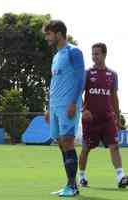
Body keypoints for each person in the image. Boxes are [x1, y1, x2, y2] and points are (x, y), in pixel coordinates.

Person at [44, 20, 85, 197]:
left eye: (48, 34)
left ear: (58, 33)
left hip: (68, 104)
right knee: (61, 143)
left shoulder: (73, 52)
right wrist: (47, 106)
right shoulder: (56, 56)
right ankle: (70, 184)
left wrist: (74, 103)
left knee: (67, 141)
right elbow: (54, 82)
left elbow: (80, 78)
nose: (47, 38)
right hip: (55, 106)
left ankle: (72, 187)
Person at [79, 42, 128, 188]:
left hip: (108, 118)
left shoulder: (112, 75)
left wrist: (117, 116)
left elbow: (114, 97)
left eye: (97, 54)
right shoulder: (87, 73)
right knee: (86, 149)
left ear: (104, 54)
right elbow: (78, 94)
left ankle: (120, 177)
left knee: (114, 146)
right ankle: (81, 176)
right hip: (90, 120)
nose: (94, 57)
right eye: (93, 54)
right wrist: (83, 110)